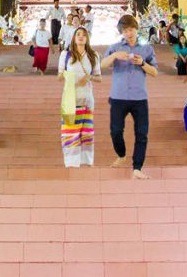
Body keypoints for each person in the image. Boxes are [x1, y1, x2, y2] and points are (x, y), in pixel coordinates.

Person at [101, 14, 158, 180]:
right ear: (121, 32)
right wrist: (114, 56)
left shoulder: (146, 49)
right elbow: (100, 66)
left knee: (142, 133)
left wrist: (142, 63)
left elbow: (154, 72)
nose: (129, 33)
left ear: (136, 29)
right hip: (118, 96)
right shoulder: (115, 47)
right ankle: (121, 153)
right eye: (125, 30)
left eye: (131, 29)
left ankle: (137, 167)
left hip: (139, 97)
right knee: (115, 131)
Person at [58, 26, 101, 167]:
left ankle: (86, 161)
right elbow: (59, 76)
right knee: (70, 132)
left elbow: (98, 77)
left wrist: (88, 77)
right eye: (78, 34)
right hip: (70, 99)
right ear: (74, 38)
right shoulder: (66, 55)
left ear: (87, 38)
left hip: (87, 99)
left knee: (86, 132)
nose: (81, 36)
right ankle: (71, 163)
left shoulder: (93, 55)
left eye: (84, 34)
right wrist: (68, 76)